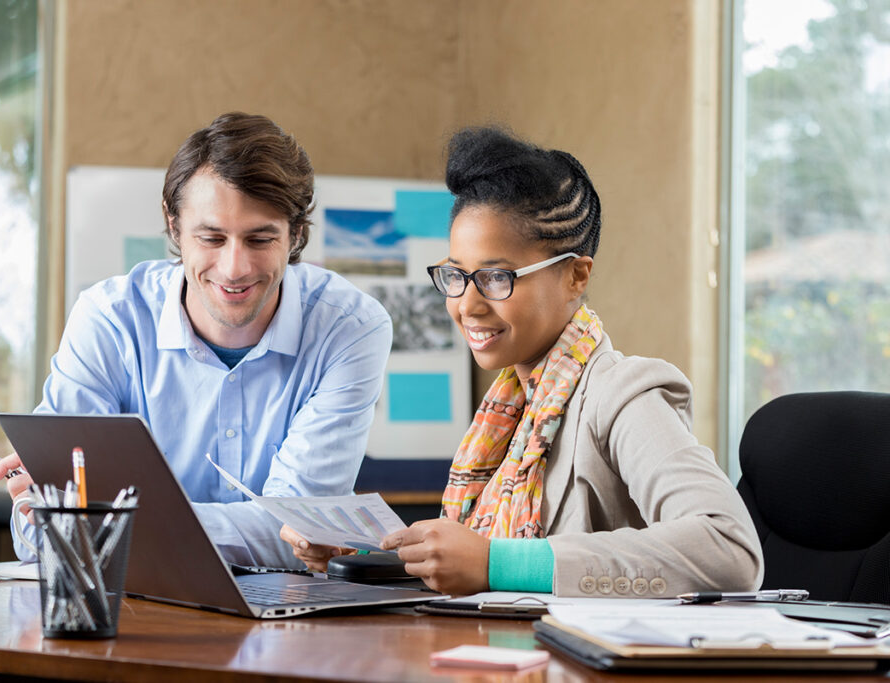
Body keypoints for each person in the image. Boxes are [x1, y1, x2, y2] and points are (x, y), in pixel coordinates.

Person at [282, 126, 763, 596]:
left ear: (576, 275)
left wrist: (496, 562)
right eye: (456, 275)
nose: (467, 305)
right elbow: (473, 569)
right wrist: (364, 556)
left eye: (495, 277)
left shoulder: (622, 394)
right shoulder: (507, 413)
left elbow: (728, 547)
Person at [0, 112, 392, 568]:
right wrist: (62, 514)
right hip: (133, 613)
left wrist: (110, 519)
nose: (234, 267)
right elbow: (39, 530)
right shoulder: (108, 319)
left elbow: (299, 533)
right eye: (211, 237)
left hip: (284, 624)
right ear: (174, 226)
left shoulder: (351, 328)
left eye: (260, 239)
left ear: (296, 234)